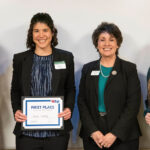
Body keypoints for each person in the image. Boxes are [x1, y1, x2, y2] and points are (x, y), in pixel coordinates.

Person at [11, 12, 75, 150]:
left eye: (45, 30)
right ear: (31, 34)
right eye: (36, 31)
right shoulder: (20, 59)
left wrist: (68, 108)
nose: (41, 35)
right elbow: (15, 89)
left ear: (52, 32)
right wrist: (16, 110)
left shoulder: (66, 57)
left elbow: (70, 88)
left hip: (57, 133)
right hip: (27, 133)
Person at [78, 22, 141, 150]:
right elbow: (82, 101)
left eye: (111, 40)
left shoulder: (129, 69)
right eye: (102, 40)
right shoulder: (87, 69)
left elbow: (133, 104)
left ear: (117, 44)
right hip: (94, 137)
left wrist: (115, 133)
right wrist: (93, 131)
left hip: (123, 137)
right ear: (97, 44)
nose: (107, 44)